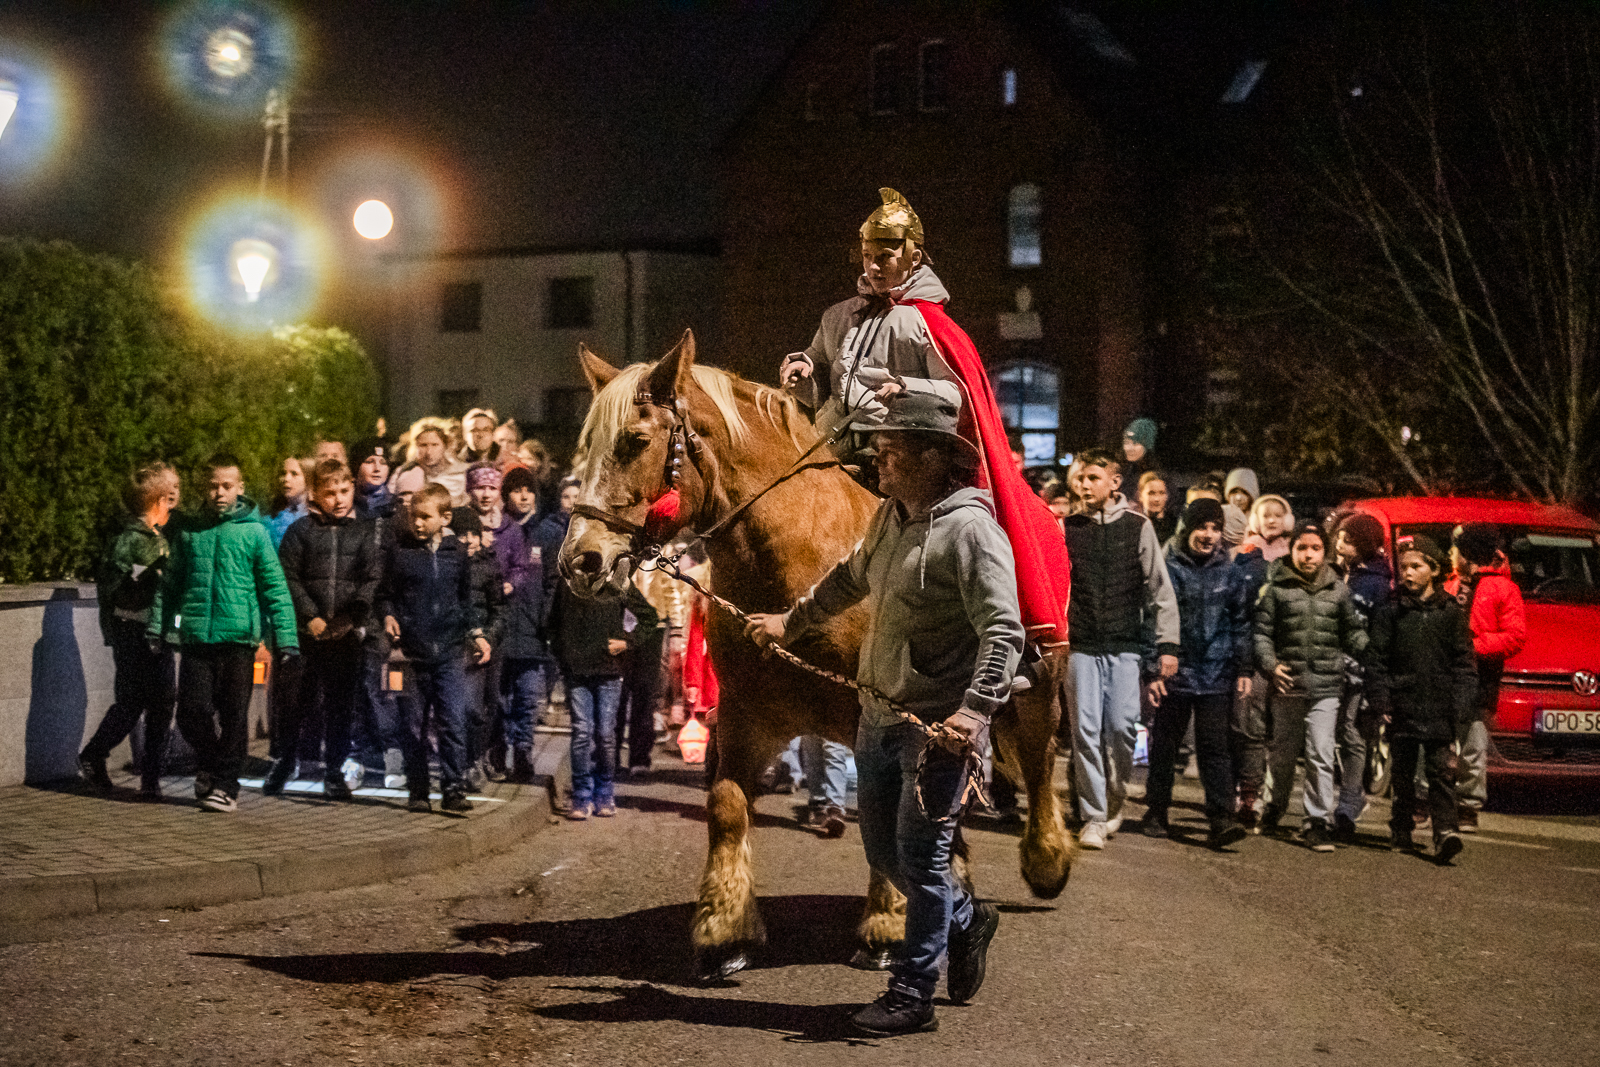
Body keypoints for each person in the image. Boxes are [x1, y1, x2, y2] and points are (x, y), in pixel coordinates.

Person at [744, 391, 1022, 1037]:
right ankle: (966, 917)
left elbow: (1003, 632)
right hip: (877, 713)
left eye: (892, 452)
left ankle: (912, 992)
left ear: (933, 456)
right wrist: (793, 620)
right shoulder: (891, 517)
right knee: (885, 851)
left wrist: (974, 713)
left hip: (935, 732)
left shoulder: (973, 530)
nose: (879, 463)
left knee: (921, 862)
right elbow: (850, 576)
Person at [151, 454, 299, 813]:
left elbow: (274, 588)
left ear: (240, 488)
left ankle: (226, 787)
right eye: (213, 486)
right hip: (198, 638)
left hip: (239, 641)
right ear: (204, 487)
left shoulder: (254, 532)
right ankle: (212, 763)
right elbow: (169, 586)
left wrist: (286, 638)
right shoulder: (190, 532)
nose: (220, 493)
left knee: (234, 716)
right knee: (190, 711)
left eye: (227, 486)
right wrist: (158, 627)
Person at [1062, 448, 1180, 851]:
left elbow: (1160, 590)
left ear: (1114, 482)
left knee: (1122, 728)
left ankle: (1115, 797)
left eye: (1093, 477)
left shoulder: (1137, 526)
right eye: (1080, 478)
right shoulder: (1068, 527)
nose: (1083, 485)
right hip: (1080, 645)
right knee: (1085, 731)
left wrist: (1167, 644)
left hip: (1125, 645)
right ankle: (1094, 815)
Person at [1141, 498, 1252, 848]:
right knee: (1165, 745)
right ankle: (1156, 811)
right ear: (1187, 529)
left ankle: (1221, 818)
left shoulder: (1230, 571)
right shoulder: (1167, 566)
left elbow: (1241, 622)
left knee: (1215, 747)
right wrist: (1153, 668)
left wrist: (1244, 666)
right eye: (1202, 527)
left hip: (1216, 673)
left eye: (1215, 528)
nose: (1208, 535)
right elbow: (1149, 618)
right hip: (1176, 671)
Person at [268, 459, 382, 800]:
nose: (338, 499)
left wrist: (348, 620)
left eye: (344, 491)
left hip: (344, 636)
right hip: (307, 635)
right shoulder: (301, 531)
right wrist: (310, 617)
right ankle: (286, 761)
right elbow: (288, 577)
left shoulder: (363, 532)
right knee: (296, 705)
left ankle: (333, 771)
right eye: (330, 493)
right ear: (316, 493)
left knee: (339, 707)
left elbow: (371, 577)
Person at [1254, 520, 1368, 852]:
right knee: (1283, 752)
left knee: (1320, 752)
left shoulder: (1338, 589)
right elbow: (1262, 633)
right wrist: (1271, 664)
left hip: (1326, 686)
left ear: (1324, 552)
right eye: (1302, 548)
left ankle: (1316, 820)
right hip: (1288, 684)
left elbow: (1351, 631)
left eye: (1315, 548)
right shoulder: (1276, 588)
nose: (1308, 555)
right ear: (1292, 550)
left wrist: (1371, 647)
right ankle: (1274, 804)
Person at [378, 483, 492, 814]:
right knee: (413, 726)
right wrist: (388, 615)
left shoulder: (456, 552)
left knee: (452, 722)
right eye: (413, 516)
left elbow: (466, 598)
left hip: (450, 653)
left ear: (444, 517)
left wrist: (477, 633)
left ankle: (453, 789)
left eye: (424, 517)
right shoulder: (401, 553)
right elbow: (386, 593)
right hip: (413, 654)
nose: (416, 523)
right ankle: (418, 789)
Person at [1364, 534, 1475, 863]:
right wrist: (1382, 699)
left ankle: (1445, 833)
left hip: (1440, 707)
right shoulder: (1392, 613)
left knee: (1441, 773)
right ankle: (1401, 827)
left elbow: (1463, 664)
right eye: (1405, 568)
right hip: (1404, 704)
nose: (1409, 573)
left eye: (1417, 566)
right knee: (1403, 774)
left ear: (1434, 570)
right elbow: (1377, 660)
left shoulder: (1451, 614)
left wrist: (1462, 704)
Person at [78, 463, 182, 799]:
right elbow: (119, 590)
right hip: (134, 631)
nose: (177, 498)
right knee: (132, 702)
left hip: (159, 632)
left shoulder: (161, 537)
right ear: (157, 499)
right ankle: (94, 755)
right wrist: (151, 575)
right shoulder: (129, 541)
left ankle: (150, 777)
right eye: (171, 493)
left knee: (162, 703)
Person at [1445, 522, 1526, 833]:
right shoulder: (1451, 587)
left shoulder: (1503, 589)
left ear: (1466, 554)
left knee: (1472, 747)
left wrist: (1472, 646)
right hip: (1446, 676)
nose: (1450, 555)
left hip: (1481, 679)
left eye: (1454, 550)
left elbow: (1515, 637)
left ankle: (1468, 805)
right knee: (1437, 740)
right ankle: (1428, 798)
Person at [548, 553, 638, 821]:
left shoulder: (618, 584)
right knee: (581, 732)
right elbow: (553, 623)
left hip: (609, 672)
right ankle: (581, 795)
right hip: (577, 672)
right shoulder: (567, 585)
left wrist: (627, 643)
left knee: (605, 734)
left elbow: (646, 618)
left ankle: (604, 793)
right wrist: (563, 656)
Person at [1330, 512, 1392, 841]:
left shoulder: (1376, 584)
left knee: (1352, 735)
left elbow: (1377, 633)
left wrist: (1368, 669)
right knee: (1335, 734)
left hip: (1358, 672)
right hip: (1331, 666)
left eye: (1349, 540)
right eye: (1340, 537)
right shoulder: (1343, 573)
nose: (1340, 544)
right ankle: (1342, 801)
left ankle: (1350, 800)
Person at [498, 466, 550, 781]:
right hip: (502, 629)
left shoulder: (546, 533)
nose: (524, 495)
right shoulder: (498, 530)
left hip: (533, 630)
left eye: (528, 489)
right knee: (500, 699)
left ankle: (523, 750)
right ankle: (498, 750)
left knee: (528, 697)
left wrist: (546, 619)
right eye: (517, 490)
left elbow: (553, 582)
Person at [391, 420, 468, 506]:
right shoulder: (403, 472)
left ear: (445, 445)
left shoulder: (462, 473)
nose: (429, 452)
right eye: (423, 445)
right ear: (415, 446)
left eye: (435, 445)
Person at [265, 455, 310, 549]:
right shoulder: (270, 518)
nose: (286, 479)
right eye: (283, 473)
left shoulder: (315, 516)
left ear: (307, 478)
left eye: (294, 474)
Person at [350, 437, 394, 520]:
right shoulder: (344, 506)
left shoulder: (396, 508)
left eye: (383, 462)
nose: (377, 468)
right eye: (369, 461)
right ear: (356, 467)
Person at [1136, 471, 1177, 547]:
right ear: (1140, 496)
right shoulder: (1135, 524)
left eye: (1161, 493)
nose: (1157, 499)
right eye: (1151, 493)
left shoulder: (1176, 525)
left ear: (1167, 496)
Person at [1120, 418, 1158, 486]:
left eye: (1135, 443)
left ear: (1147, 445)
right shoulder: (1124, 471)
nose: (1129, 448)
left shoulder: (1155, 477)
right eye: (1126, 442)